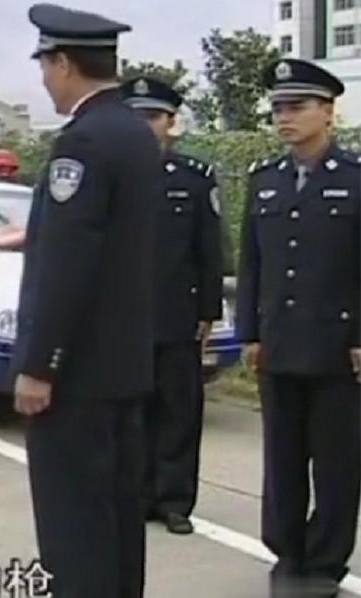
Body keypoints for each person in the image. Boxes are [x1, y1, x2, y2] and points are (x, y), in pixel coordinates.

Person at [15, 5, 160, 598]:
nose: (45, 80)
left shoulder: (83, 142)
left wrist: (40, 364)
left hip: (77, 372)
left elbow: (67, 266)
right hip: (123, 363)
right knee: (118, 515)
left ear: (63, 63)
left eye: (45, 66)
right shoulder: (135, 132)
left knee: (74, 523)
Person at [238, 58, 360, 598]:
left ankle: (325, 562)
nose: (284, 117)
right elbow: (252, 265)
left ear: (328, 112)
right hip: (281, 342)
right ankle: (287, 551)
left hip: (339, 348)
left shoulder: (354, 178)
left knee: (336, 463)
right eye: (278, 109)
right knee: (283, 458)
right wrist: (251, 332)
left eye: (297, 107)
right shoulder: (266, 179)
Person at [120, 77, 224, 536]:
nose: (145, 126)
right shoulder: (112, 173)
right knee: (132, 411)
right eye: (137, 117)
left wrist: (208, 311)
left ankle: (175, 500)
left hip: (178, 314)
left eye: (153, 117)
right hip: (124, 317)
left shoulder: (194, 178)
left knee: (179, 410)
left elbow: (210, 249)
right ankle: (136, 496)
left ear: (170, 123)